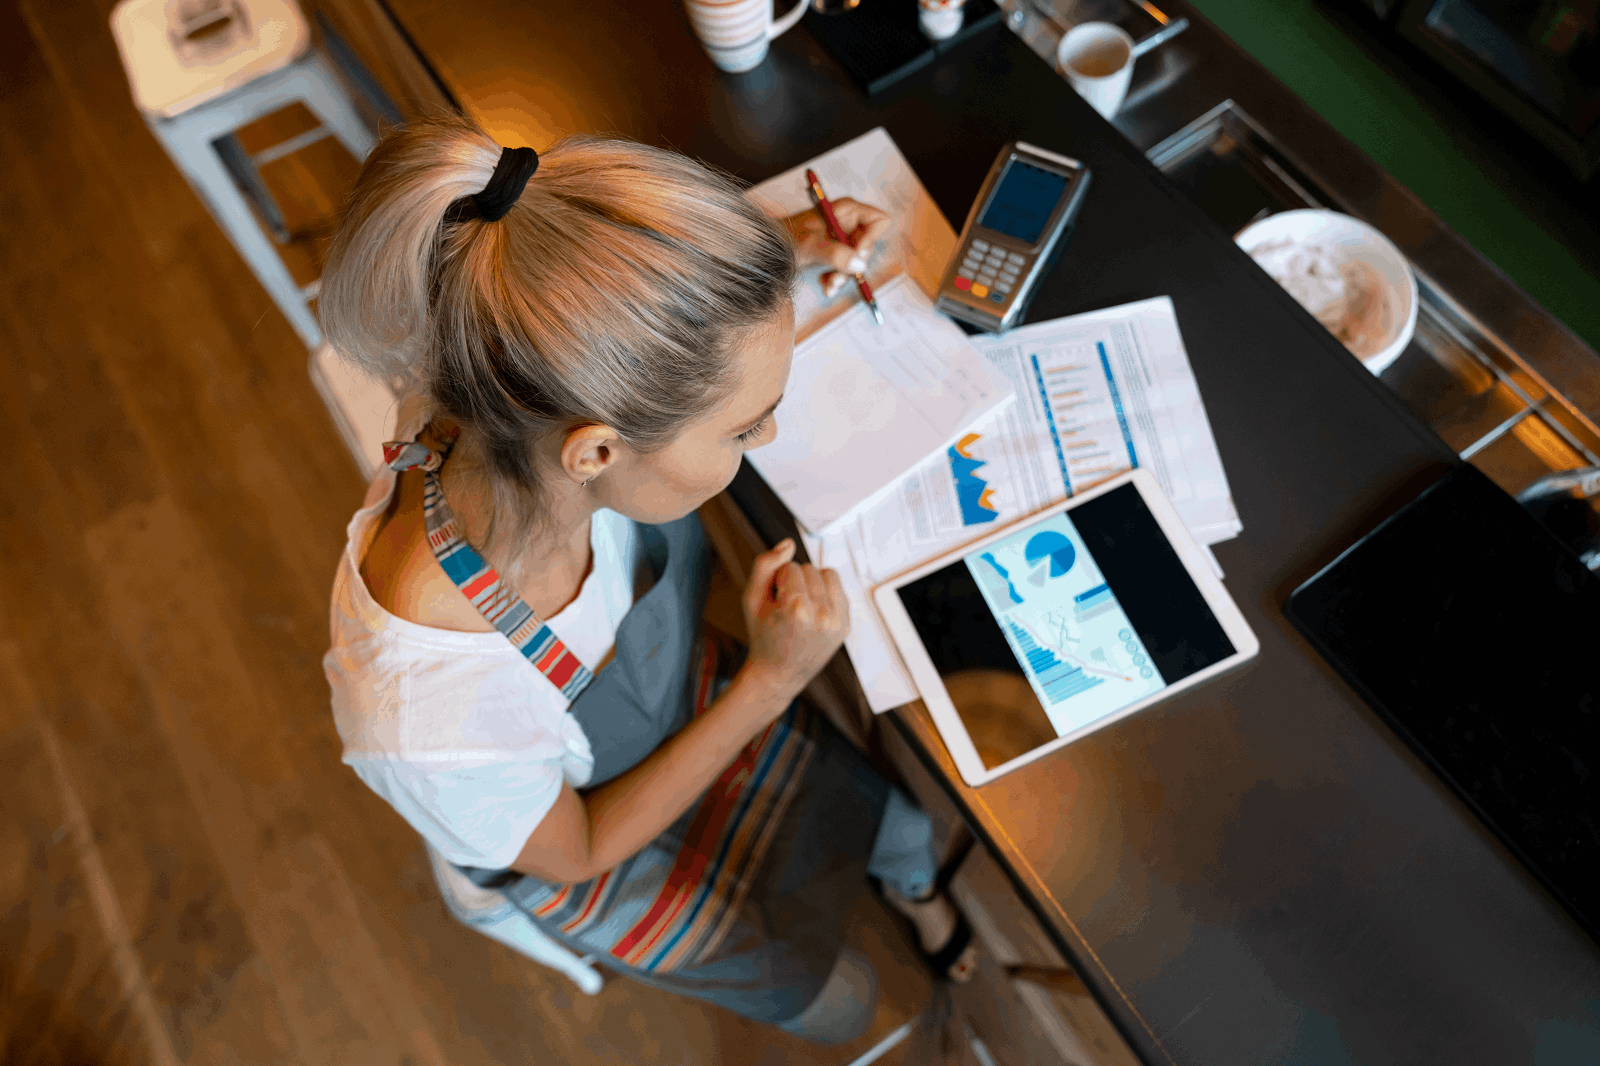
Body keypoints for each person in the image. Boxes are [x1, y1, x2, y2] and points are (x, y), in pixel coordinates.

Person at [320, 114, 977, 1040]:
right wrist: (771, 682)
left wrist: (783, 257)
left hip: (665, 697)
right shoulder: (430, 716)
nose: (768, 440)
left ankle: (912, 887)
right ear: (595, 450)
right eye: (747, 428)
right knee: (847, 1005)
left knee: (891, 822)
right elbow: (580, 853)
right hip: (586, 834)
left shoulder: (488, 376)